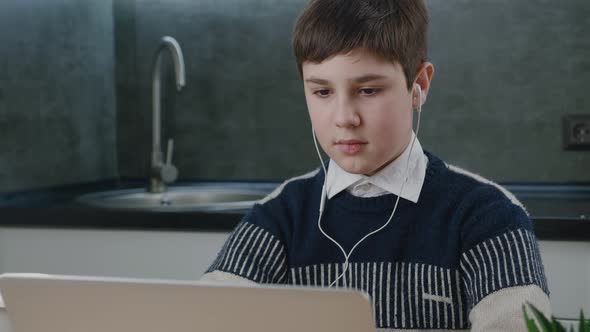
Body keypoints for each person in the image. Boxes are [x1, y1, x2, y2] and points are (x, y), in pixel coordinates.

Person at [202, 0, 551, 330]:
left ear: (419, 85)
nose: (344, 118)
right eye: (322, 92)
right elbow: (201, 317)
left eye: (368, 90)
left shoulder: (489, 217)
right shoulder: (279, 217)